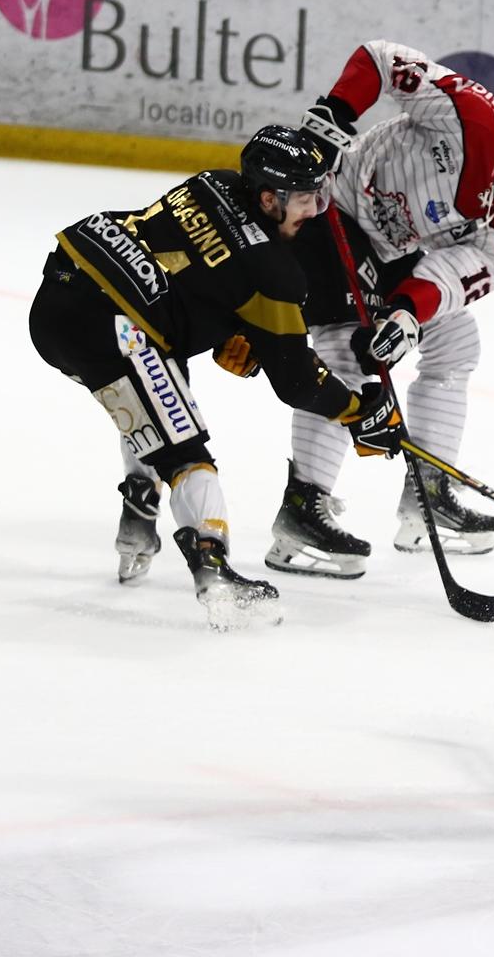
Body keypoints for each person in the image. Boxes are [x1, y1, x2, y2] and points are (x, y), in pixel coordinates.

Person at [28, 126, 406, 629]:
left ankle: (140, 511)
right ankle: (214, 570)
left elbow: (192, 274)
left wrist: (227, 327)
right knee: (185, 452)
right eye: (307, 197)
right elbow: (296, 380)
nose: (318, 209)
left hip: (63, 286)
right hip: (115, 329)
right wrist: (361, 411)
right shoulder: (274, 274)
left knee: (155, 389)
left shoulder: (215, 182)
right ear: (270, 198)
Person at [264, 40, 494, 579]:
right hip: (335, 205)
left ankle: (429, 493)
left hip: (394, 253)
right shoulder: (473, 119)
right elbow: (378, 59)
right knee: (346, 355)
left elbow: (444, 278)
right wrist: (336, 114)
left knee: (456, 341)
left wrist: (403, 316)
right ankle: (303, 507)